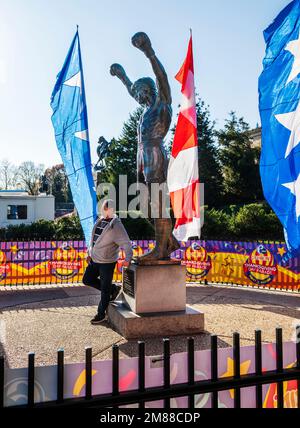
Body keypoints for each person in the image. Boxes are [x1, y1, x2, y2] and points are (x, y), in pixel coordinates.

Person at [83, 200, 133, 324]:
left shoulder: (116, 225)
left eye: (106, 208)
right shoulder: (100, 221)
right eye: (103, 208)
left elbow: (126, 243)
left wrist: (128, 259)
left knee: (104, 289)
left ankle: (101, 315)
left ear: (112, 210)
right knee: (87, 279)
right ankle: (113, 289)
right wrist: (89, 254)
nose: (104, 210)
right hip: (95, 260)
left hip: (107, 262)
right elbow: (93, 240)